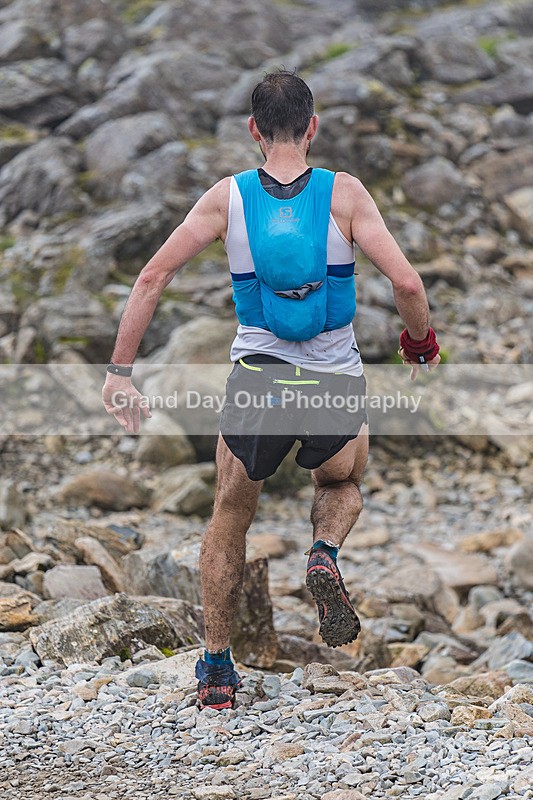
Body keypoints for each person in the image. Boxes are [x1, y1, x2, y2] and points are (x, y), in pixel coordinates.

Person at [102, 69, 440, 711]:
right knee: (340, 483)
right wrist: (419, 343)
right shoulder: (345, 194)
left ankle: (217, 669)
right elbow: (407, 285)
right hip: (333, 377)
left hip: (259, 376)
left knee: (229, 516)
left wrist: (119, 374)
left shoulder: (226, 199)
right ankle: (323, 553)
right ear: (313, 127)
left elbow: (151, 279)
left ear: (253, 130)